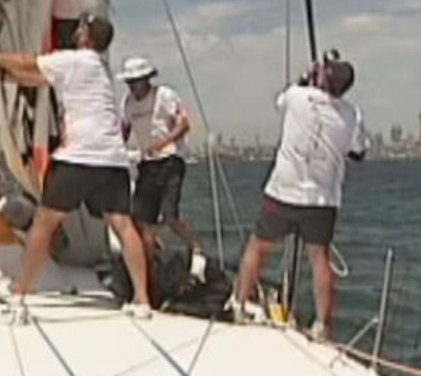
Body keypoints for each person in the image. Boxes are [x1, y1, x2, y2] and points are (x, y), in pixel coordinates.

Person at [0, 14, 153, 318]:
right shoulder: (99, 69)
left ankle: (20, 292)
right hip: (113, 158)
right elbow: (35, 78)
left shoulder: (73, 61)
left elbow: (29, 62)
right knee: (123, 225)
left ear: (86, 36)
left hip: (78, 156)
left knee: (44, 222)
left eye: (80, 28)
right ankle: (142, 300)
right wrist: (3, 74)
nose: (75, 31)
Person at [231, 55, 368, 341]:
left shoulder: (298, 96)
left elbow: (282, 99)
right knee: (320, 258)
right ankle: (321, 325)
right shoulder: (352, 114)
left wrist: (308, 76)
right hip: (322, 200)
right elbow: (359, 152)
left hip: (284, 192)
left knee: (257, 247)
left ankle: (240, 305)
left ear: (322, 78)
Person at [117, 56, 203, 260]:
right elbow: (125, 129)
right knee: (142, 218)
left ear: (146, 80)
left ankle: (194, 246)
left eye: (134, 82)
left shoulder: (164, 95)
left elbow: (183, 125)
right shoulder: (128, 103)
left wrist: (163, 143)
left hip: (170, 160)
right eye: (128, 82)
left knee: (169, 215)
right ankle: (148, 259)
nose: (131, 87)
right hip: (147, 164)